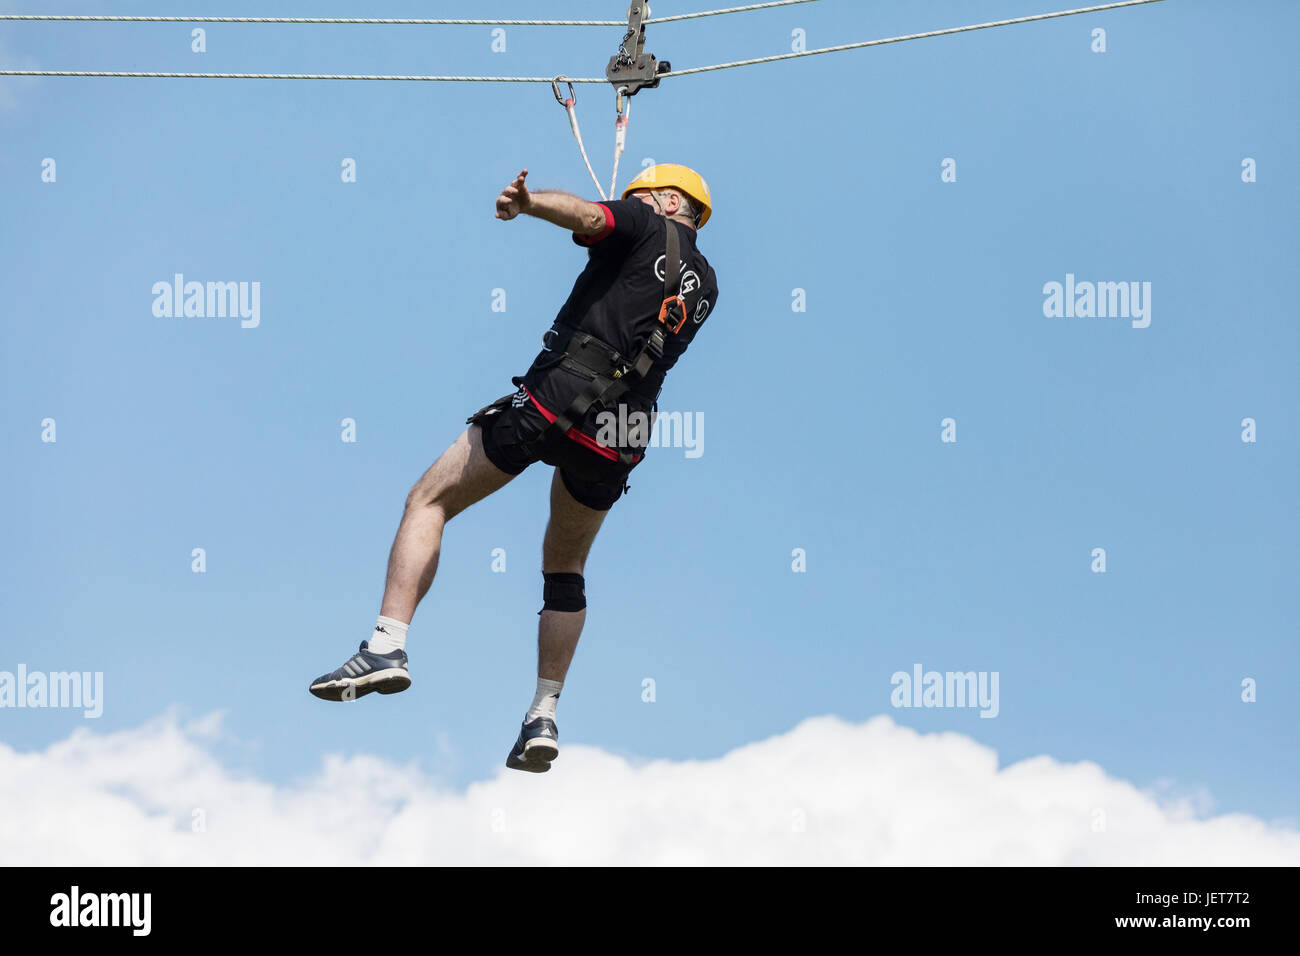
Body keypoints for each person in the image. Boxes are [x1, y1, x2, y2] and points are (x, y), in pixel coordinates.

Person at [308, 164, 719, 773]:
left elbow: (588, 216)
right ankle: (543, 714)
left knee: (429, 500)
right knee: (566, 568)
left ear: (663, 199)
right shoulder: (707, 281)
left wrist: (528, 205)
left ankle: (386, 646)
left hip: (563, 390)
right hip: (624, 429)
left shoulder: (639, 220)